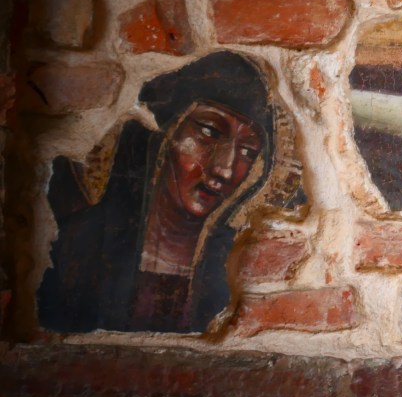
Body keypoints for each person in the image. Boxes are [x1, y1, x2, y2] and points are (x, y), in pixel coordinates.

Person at [37, 51, 274, 334]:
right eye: (209, 132)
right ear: (161, 135)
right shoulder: (75, 246)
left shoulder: (245, 263)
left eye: (248, 151)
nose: (224, 169)